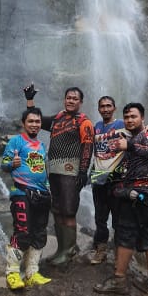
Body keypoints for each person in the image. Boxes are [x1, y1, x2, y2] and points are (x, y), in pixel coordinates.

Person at [94, 101, 148, 296]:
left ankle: (119, 280)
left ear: (142, 118)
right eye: (126, 117)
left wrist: (129, 145)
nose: (129, 120)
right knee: (147, 237)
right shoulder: (131, 135)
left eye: (133, 116)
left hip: (140, 194)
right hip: (144, 194)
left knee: (125, 235)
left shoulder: (146, 134)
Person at [23, 83, 94, 266]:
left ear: (81, 102)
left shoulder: (83, 122)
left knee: (68, 211)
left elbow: (87, 147)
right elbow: (37, 120)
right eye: (68, 98)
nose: (71, 101)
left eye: (75, 98)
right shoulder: (58, 118)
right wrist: (30, 101)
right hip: (53, 171)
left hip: (71, 172)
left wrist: (83, 171)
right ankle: (61, 250)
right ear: (64, 100)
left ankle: (69, 251)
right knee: (57, 210)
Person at [0, 107, 53, 290]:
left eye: (38, 122)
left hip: (41, 194)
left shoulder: (41, 145)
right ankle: (12, 274)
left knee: (39, 233)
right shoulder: (15, 141)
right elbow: (4, 164)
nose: (35, 125)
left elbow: (43, 171)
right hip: (22, 193)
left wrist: (47, 191)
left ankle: (32, 273)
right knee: (22, 232)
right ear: (24, 123)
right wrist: (11, 163)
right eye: (31, 121)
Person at [89, 95, 127, 264]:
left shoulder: (122, 124)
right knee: (100, 218)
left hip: (116, 178)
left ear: (114, 108)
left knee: (118, 218)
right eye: (102, 106)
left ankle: (120, 253)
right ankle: (101, 250)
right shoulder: (96, 126)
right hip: (98, 179)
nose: (105, 109)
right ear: (98, 109)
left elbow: (140, 132)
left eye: (108, 106)